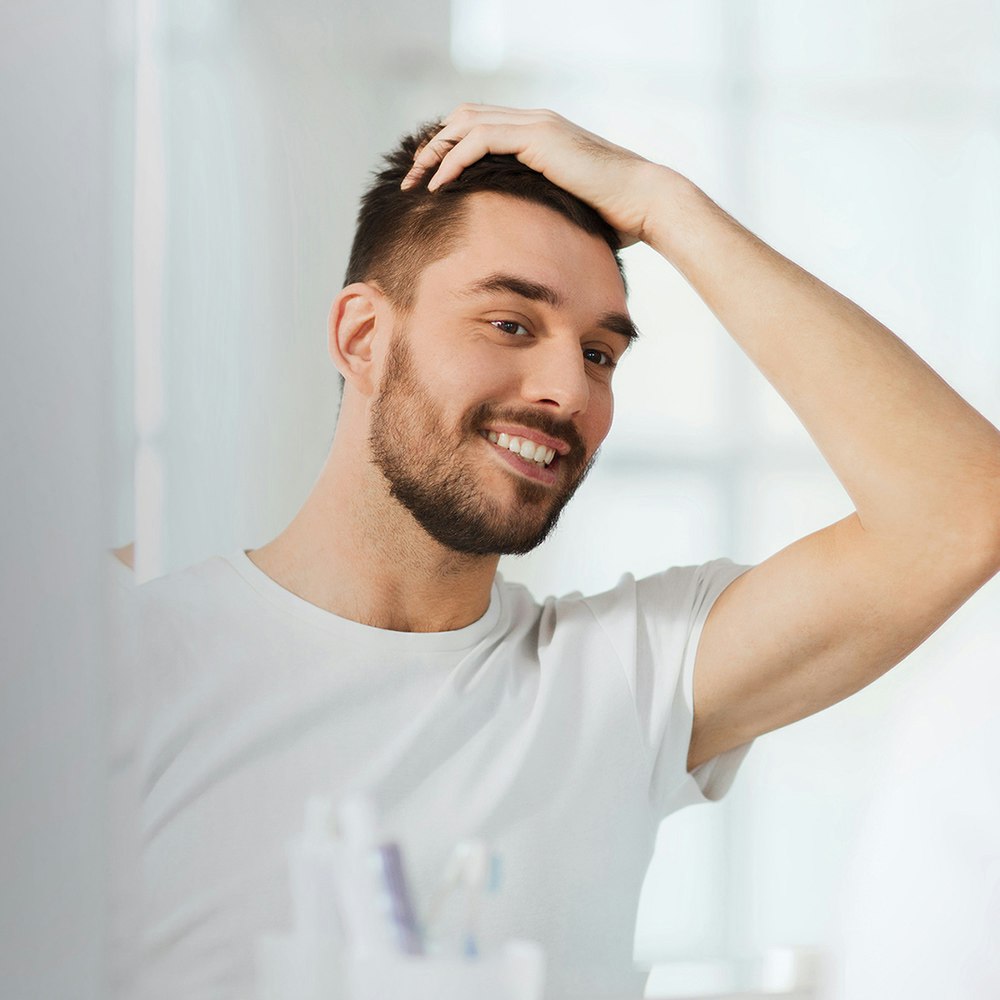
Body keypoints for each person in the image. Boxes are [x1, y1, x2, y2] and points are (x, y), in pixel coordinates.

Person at [115, 105, 1000, 1000]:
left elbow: (961, 512)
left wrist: (664, 204)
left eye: (601, 353)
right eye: (510, 324)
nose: (569, 389)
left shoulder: (625, 680)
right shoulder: (127, 667)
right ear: (363, 339)